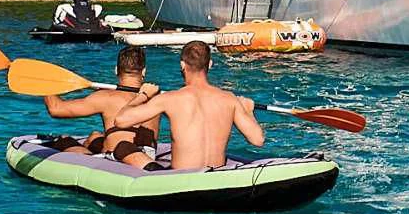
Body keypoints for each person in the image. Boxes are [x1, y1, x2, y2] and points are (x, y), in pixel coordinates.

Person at [111, 41, 265, 173]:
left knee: (123, 147)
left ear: (182, 65)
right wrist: (249, 112)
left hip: (181, 178)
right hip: (215, 176)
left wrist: (143, 95)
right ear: (210, 64)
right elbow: (258, 140)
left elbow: (121, 121)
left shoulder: (170, 98)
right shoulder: (229, 99)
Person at [42, 46, 160, 167]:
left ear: (116, 70)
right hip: (147, 155)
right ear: (143, 71)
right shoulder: (157, 97)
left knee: (65, 140)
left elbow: (55, 109)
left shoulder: (105, 97)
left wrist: (45, 83)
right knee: (95, 136)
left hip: (118, 159)